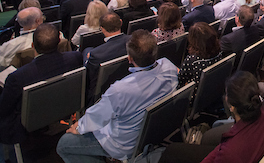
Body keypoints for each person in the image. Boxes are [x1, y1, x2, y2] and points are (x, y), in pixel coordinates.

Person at [56, 30, 178, 162]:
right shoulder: (169, 67)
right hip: (154, 131)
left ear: (129, 58)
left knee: (64, 144)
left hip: (124, 144)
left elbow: (96, 118)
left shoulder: (120, 90)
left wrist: (79, 127)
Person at [158, 71, 264, 163]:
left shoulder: (232, 151)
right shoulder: (260, 111)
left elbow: (225, 152)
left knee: (171, 152)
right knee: (172, 150)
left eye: (226, 94)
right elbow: (221, 149)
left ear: (232, 107)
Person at [0, 24, 81, 146]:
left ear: (33, 45)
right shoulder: (75, 58)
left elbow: (4, 109)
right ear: (59, 42)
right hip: (66, 109)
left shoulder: (17, 77)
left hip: (29, 123)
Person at [85, 12, 131, 105]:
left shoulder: (96, 54)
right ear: (121, 22)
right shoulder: (134, 40)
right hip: (128, 82)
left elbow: (89, 79)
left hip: (103, 94)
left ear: (102, 29)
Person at [178, 22, 222, 88]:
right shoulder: (219, 52)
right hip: (213, 88)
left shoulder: (191, 61)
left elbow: (180, 81)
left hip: (193, 93)